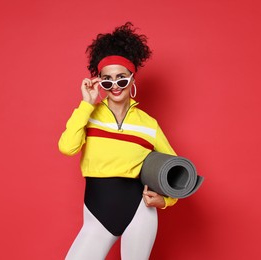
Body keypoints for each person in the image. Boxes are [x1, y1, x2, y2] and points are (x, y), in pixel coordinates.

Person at [58, 22, 178, 260]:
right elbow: (67, 147)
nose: (115, 86)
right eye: (107, 80)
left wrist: (165, 201)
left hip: (140, 212)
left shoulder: (148, 124)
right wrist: (86, 104)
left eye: (122, 79)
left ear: (132, 80)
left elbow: (175, 172)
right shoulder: (88, 114)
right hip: (98, 212)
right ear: (99, 82)